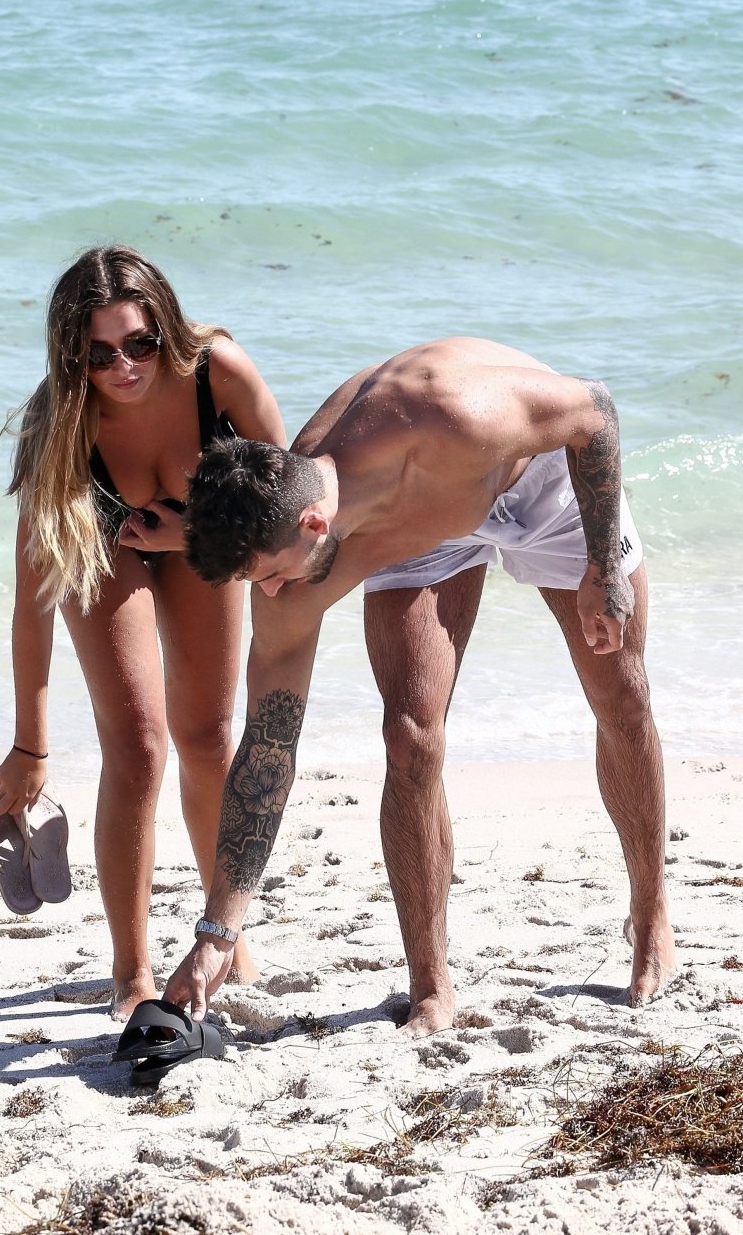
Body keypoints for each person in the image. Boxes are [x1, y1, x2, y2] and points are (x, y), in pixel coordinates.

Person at [163, 334, 676, 1037]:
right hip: (416, 526)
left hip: (529, 477)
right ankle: (430, 986)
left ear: (312, 523)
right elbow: (268, 749)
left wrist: (602, 568)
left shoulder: (457, 415)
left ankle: (649, 911)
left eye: (271, 573)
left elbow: (596, 411)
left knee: (623, 697)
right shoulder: (299, 551)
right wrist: (217, 932)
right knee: (409, 739)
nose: (272, 592)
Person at [0, 245, 285, 1020]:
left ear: (166, 329)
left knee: (209, 739)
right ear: (72, 358)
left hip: (203, 537)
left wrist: (192, 534)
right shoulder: (60, 428)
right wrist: (29, 747)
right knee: (139, 748)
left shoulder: (218, 374)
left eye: (139, 344)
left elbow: (286, 503)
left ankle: (225, 932)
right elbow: (31, 604)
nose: (121, 367)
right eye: (97, 355)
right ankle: (132, 970)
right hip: (102, 541)